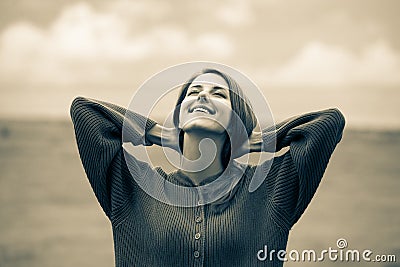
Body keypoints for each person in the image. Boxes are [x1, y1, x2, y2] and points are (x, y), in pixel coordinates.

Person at [70, 68, 345, 267]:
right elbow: (85, 113)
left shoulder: (270, 190)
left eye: (218, 94)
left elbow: (327, 124)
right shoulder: (135, 188)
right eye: (193, 93)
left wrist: (254, 141)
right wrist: (157, 133)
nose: (202, 97)